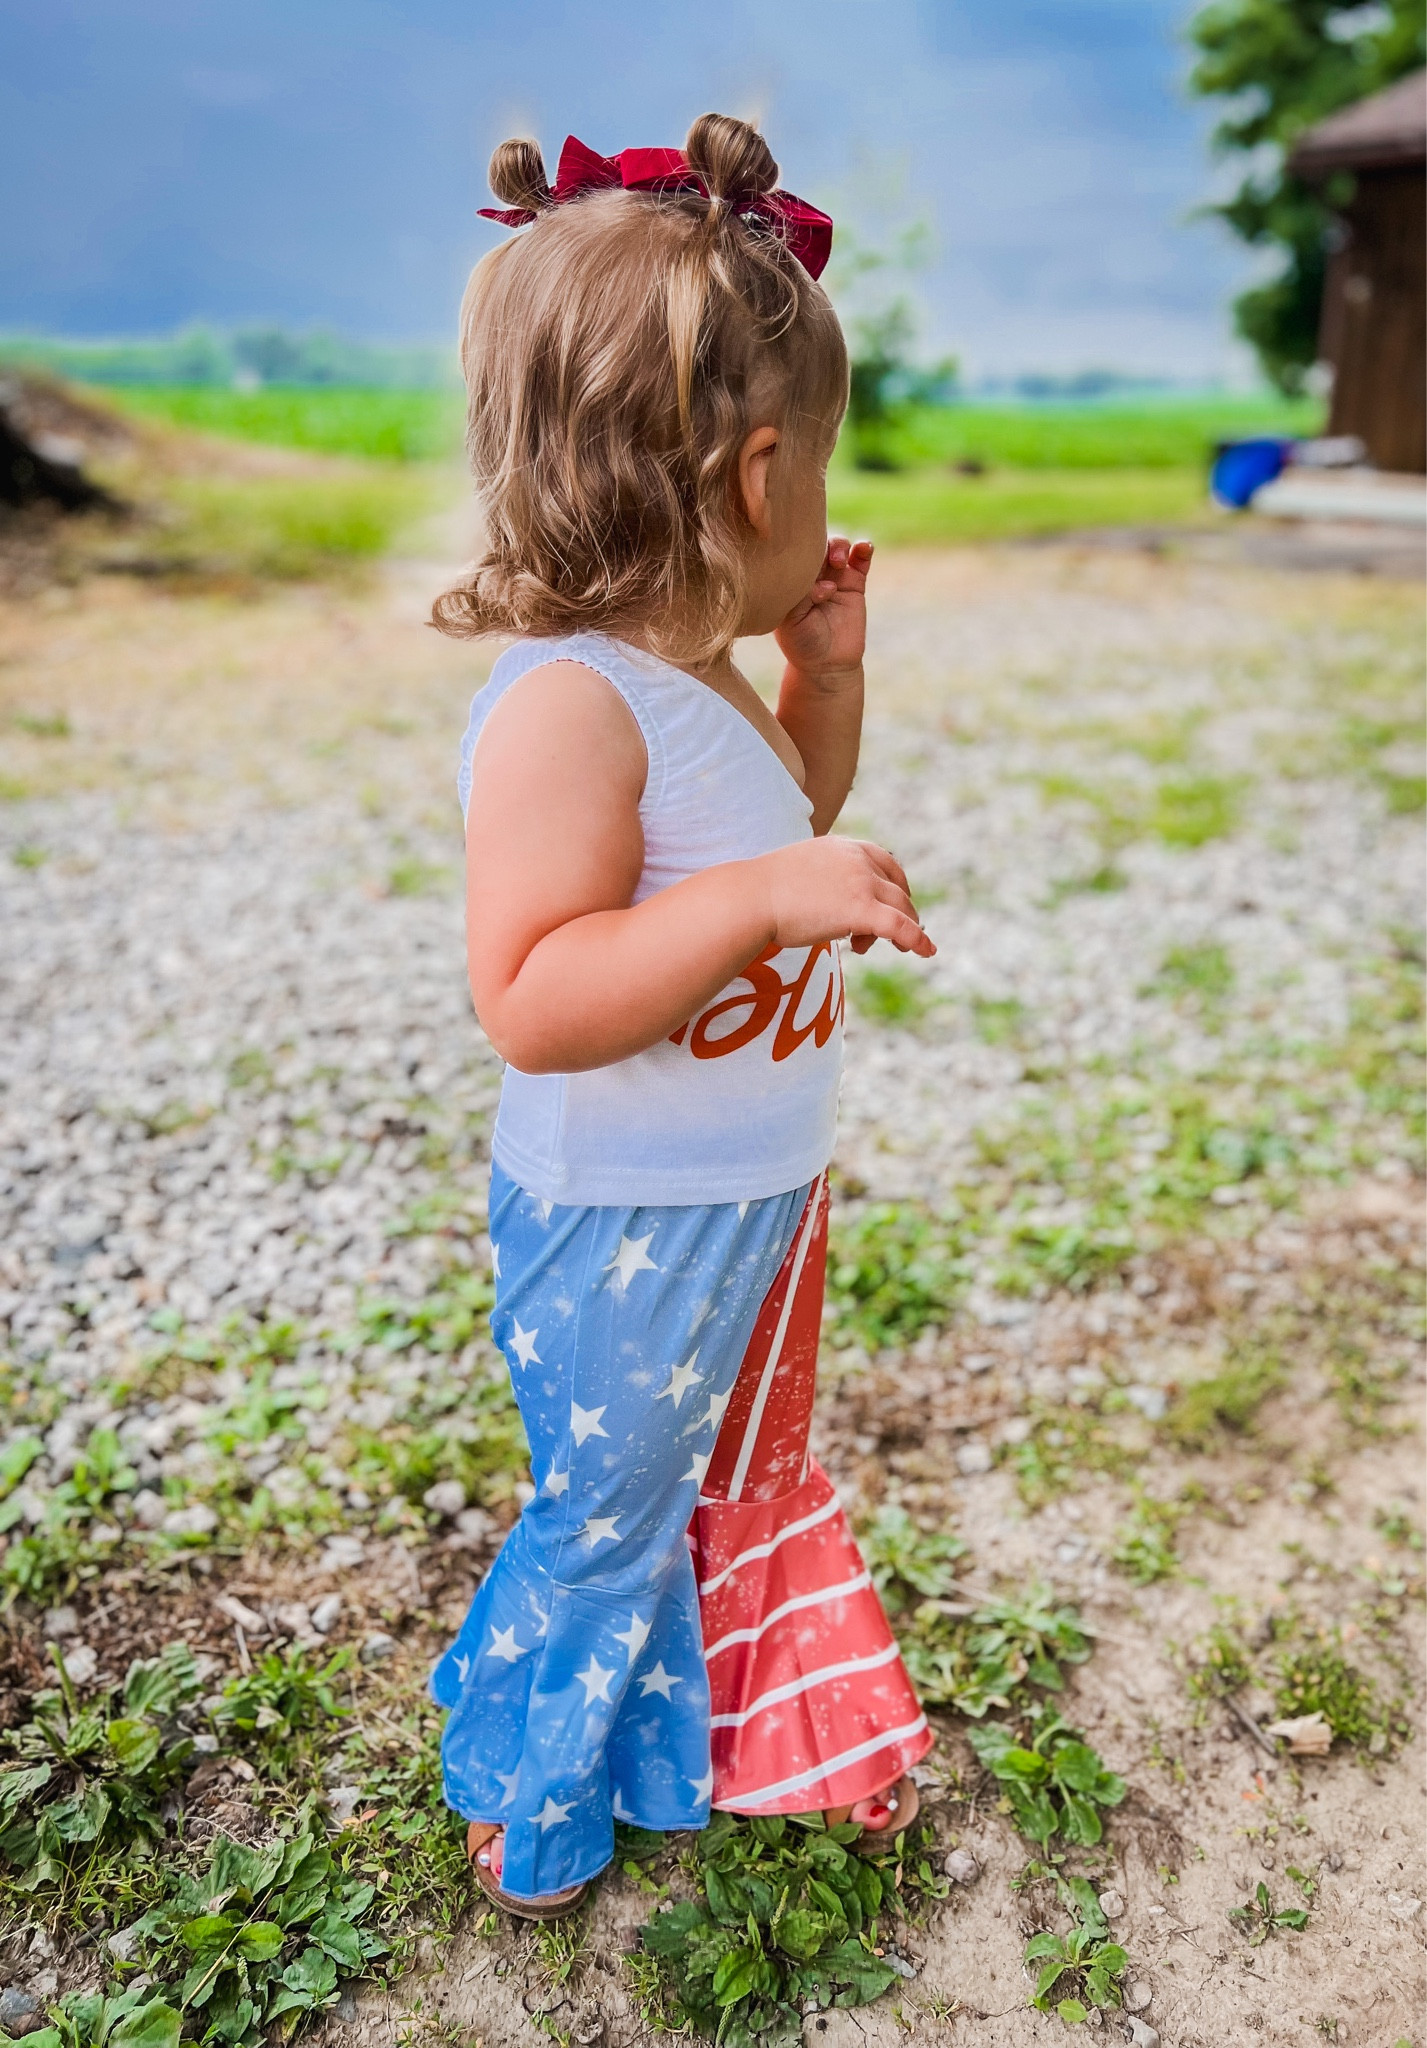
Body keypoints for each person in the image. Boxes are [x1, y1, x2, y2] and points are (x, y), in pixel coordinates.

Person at [429, 113, 936, 1917]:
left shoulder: (699, 671)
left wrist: (825, 681)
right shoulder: (570, 704)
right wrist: (755, 904)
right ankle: (534, 1773)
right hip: (626, 1225)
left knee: (739, 1474)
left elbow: (786, 808)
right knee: (617, 1508)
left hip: (752, 1195)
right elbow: (536, 996)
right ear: (756, 474)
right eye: (824, 476)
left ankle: (744, 1729)